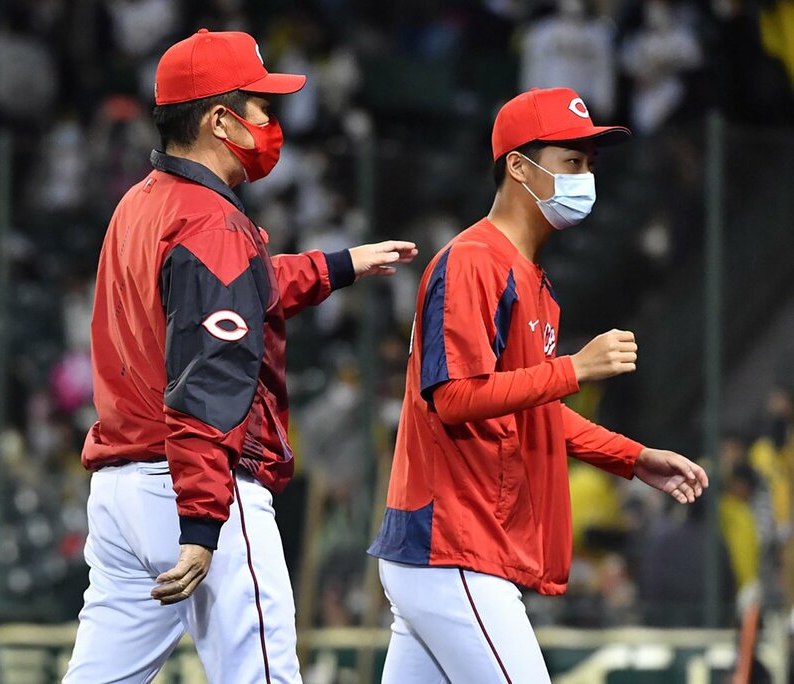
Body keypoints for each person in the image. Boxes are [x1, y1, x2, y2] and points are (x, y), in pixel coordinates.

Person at [64, 29, 416, 684]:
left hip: (119, 495)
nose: (271, 121)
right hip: (197, 488)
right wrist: (202, 522)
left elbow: (234, 287)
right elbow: (212, 376)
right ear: (221, 119)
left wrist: (338, 266)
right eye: (260, 106)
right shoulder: (211, 221)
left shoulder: (140, 205)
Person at [368, 87, 708, 683]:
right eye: (571, 162)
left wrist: (632, 458)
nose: (586, 178)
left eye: (590, 165)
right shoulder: (474, 260)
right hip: (453, 545)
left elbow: (531, 413)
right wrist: (574, 369)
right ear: (519, 167)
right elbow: (453, 399)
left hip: (451, 551)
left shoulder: (531, 281)